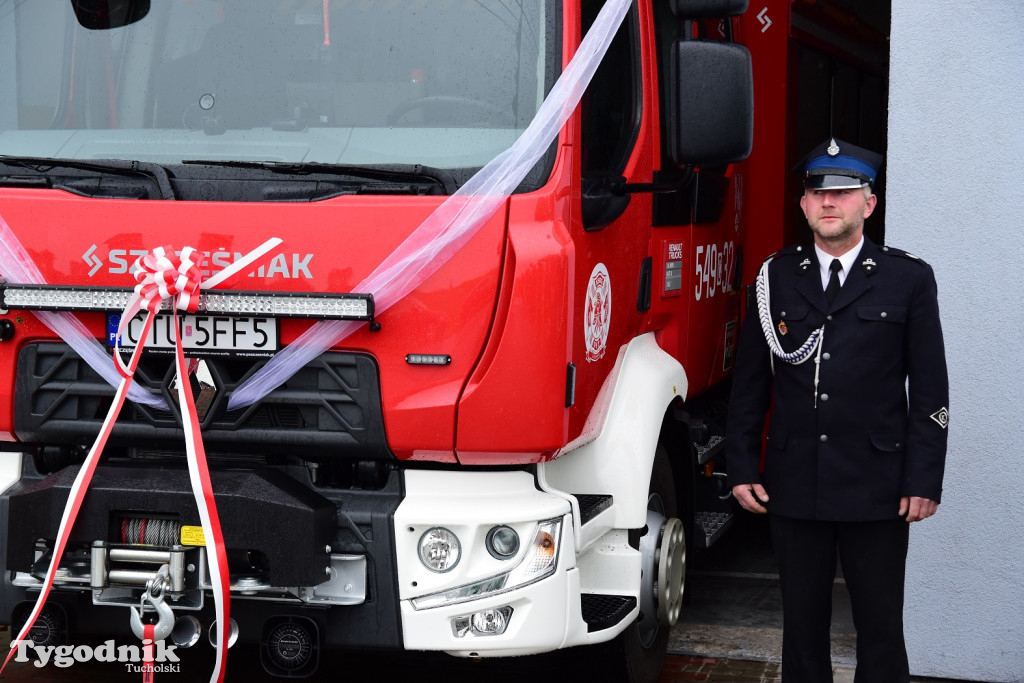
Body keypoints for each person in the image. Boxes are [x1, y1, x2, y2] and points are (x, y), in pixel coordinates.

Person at [725, 137, 949, 683]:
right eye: (817, 191)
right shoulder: (774, 277)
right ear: (803, 204)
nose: (830, 202)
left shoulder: (907, 278)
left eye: (844, 192)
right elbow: (750, 385)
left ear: (868, 204)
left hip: (878, 484)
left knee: (880, 629)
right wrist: (742, 467)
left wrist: (924, 478)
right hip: (795, 481)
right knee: (801, 631)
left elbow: (931, 391)